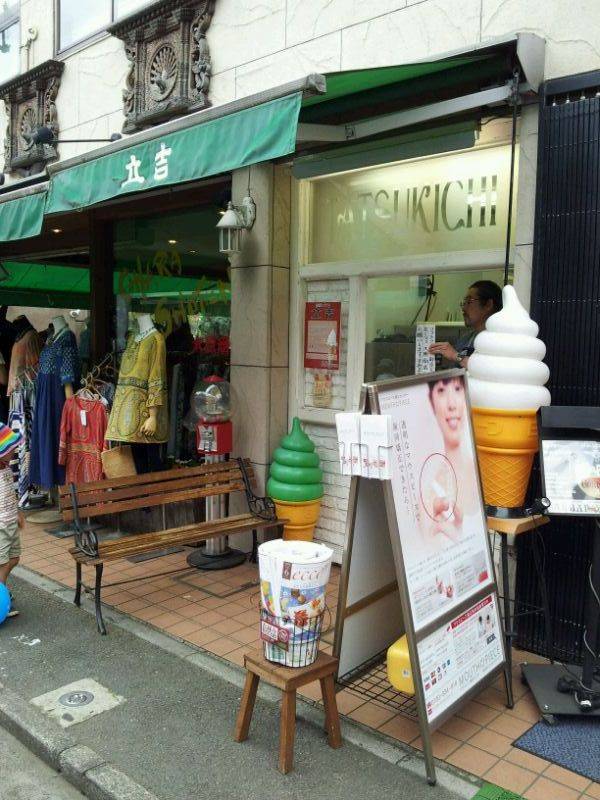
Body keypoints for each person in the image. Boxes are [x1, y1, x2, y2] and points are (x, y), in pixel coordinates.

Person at [428, 280, 503, 368]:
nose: (463, 308)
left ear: (488, 305)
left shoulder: (501, 340)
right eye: (464, 303)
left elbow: (488, 369)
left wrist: (456, 356)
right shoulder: (465, 339)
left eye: (469, 302)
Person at [0, 423, 24, 618]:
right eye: (10, 449)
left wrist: (18, 513)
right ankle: (1, 599)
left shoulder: (7, 469)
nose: (13, 451)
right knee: (2, 562)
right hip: (0, 526)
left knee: (14, 558)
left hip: (11, 522)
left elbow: (11, 494)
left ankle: (2, 591)